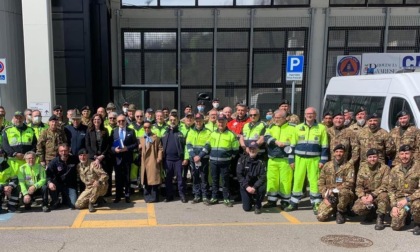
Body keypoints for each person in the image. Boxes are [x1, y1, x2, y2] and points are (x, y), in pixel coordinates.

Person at [286, 107, 328, 214]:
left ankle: (316, 203)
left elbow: (324, 146)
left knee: (314, 181)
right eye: (307, 113)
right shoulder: (298, 127)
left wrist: (322, 161)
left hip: (314, 159)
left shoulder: (321, 128)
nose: (309, 115)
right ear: (304, 115)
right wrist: (291, 159)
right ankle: (294, 202)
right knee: (297, 180)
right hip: (299, 158)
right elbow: (292, 145)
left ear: (315, 115)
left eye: (312, 113)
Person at [263, 110, 296, 209]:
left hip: (285, 159)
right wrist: (276, 141)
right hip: (272, 158)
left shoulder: (293, 128)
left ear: (286, 118)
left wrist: (286, 145)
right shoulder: (271, 126)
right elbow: (266, 137)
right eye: (275, 117)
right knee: (272, 180)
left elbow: (295, 143)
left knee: (285, 181)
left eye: (279, 118)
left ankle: (285, 201)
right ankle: (271, 200)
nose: (276, 119)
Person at [352, 148, 390, 230]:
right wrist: (362, 196)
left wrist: (373, 195)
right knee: (357, 208)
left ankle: (380, 218)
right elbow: (358, 186)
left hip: (379, 194)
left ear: (378, 157)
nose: (372, 159)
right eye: (370, 157)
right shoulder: (362, 169)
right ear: (367, 158)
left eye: (374, 157)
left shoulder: (385, 168)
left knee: (384, 196)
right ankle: (370, 212)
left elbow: (385, 185)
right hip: (366, 195)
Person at [317, 144, 355, 224]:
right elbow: (321, 181)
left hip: (342, 193)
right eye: (337, 152)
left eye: (341, 152)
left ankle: (340, 212)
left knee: (344, 192)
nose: (339, 153)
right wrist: (325, 194)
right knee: (321, 217)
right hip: (330, 195)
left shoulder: (349, 166)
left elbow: (350, 182)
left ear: (344, 153)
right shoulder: (327, 165)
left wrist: (335, 190)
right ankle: (333, 209)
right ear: (333, 153)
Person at [208, 114, 239, 207]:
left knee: (225, 181)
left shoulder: (231, 134)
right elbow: (208, 145)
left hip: (225, 162)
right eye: (219, 121)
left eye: (222, 121)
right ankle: (214, 197)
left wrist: (230, 157)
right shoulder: (212, 133)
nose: (220, 123)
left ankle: (226, 198)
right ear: (217, 122)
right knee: (214, 180)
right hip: (213, 161)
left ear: (226, 122)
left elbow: (236, 149)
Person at [389, 145, 420, 235]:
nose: (404, 156)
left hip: (415, 199)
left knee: (417, 206)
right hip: (400, 200)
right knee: (396, 226)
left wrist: (407, 199)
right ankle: (407, 214)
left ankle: (417, 223)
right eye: (402, 154)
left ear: (411, 154)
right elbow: (391, 189)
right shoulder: (394, 170)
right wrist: (394, 206)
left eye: (407, 153)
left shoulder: (418, 168)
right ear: (399, 155)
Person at [111, 114, 138, 203]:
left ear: (126, 121)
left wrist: (127, 148)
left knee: (127, 178)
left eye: (123, 121)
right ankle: (118, 196)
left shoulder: (131, 131)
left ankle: (127, 195)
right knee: (118, 178)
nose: (121, 122)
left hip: (127, 158)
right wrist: (114, 149)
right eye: (119, 121)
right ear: (117, 122)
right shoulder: (113, 131)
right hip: (117, 158)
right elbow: (110, 145)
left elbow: (135, 144)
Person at [186, 113, 211, 204]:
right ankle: (197, 195)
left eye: (200, 120)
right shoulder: (190, 131)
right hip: (193, 159)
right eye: (196, 120)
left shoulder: (208, 132)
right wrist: (194, 156)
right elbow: (188, 145)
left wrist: (199, 156)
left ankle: (204, 196)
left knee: (204, 177)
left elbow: (208, 146)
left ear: (203, 120)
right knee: (195, 177)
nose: (198, 122)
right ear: (194, 121)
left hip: (203, 159)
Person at [2, 111, 37, 178]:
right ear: (13, 119)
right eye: (16, 118)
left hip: (27, 161)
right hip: (13, 163)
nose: (18, 120)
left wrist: (27, 155)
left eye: (20, 118)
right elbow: (5, 145)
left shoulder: (30, 130)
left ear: (23, 118)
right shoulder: (7, 130)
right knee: (13, 182)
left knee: (27, 181)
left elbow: (35, 144)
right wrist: (14, 154)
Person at [161, 115, 188, 203]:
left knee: (180, 179)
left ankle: (182, 195)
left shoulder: (181, 132)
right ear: (168, 121)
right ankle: (169, 196)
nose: (172, 121)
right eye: (171, 120)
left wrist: (186, 158)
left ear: (177, 121)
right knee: (168, 179)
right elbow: (160, 145)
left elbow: (186, 146)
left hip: (178, 160)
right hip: (167, 160)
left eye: (174, 120)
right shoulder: (164, 132)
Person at [236, 142, 267, 214]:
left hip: (256, 184)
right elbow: (239, 175)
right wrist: (247, 186)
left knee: (262, 187)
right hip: (246, 184)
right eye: (250, 148)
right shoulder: (242, 159)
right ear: (248, 149)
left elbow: (263, 177)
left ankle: (258, 205)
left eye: (254, 149)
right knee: (247, 208)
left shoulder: (261, 161)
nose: (252, 150)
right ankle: (251, 199)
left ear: (258, 150)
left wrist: (254, 187)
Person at [85, 114, 111, 197]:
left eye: (98, 119)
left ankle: (103, 195)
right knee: (94, 178)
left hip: (103, 158)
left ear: (101, 121)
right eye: (95, 119)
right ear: (92, 121)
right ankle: (94, 196)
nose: (96, 121)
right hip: (93, 158)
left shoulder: (105, 130)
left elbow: (108, 145)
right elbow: (87, 145)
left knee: (103, 177)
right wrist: (95, 157)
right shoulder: (89, 130)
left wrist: (102, 155)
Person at [46, 144, 78, 209]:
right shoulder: (54, 162)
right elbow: (48, 174)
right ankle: (55, 201)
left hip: (70, 185)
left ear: (69, 150)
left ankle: (65, 199)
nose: (63, 153)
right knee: (51, 185)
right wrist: (49, 183)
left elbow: (85, 162)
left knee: (73, 205)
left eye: (65, 151)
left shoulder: (75, 159)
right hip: (58, 185)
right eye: (61, 151)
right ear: (58, 151)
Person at [139, 121, 163, 203]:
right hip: (144, 162)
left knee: (153, 180)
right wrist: (139, 148)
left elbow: (160, 148)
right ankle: (147, 197)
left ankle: (154, 197)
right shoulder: (141, 138)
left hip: (153, 160)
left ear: (151, 127)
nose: (147, 129)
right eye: (145, 127)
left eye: (148, 127)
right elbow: (140, 150)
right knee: (146, 180)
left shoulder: (155, 137)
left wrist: (159, 158)